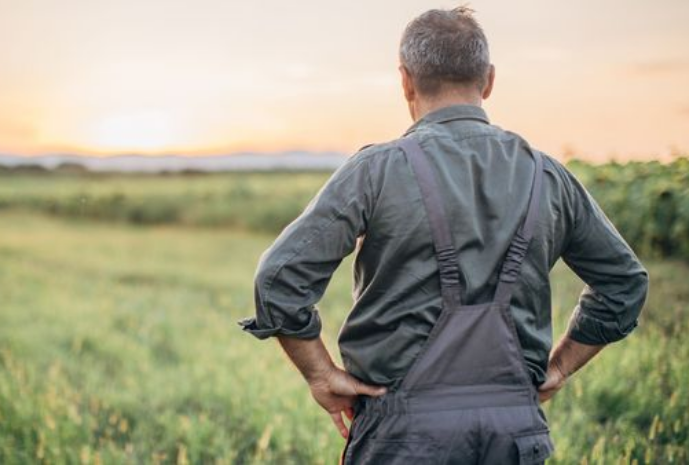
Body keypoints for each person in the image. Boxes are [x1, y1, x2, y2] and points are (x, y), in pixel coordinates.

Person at [238, 7, 649, 464]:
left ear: (406, 82)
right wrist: (560, 367)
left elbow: (279, 278)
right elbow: (624, 283)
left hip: (402, 435)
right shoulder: (547, 176)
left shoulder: (376, 170)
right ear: (488, 80)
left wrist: (320, 374)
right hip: (514, 432)